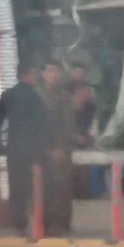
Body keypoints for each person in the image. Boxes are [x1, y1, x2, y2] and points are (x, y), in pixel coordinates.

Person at [0, 61, 53, 234]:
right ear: (25, 75)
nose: (36, 77)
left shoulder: (8, 95)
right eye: (33, 74)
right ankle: (43, 221)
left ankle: (19, 222)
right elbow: (44, 123)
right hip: (34, 149)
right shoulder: (35, 97)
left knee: (17, 186)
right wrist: (50, 144)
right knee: (39, 185)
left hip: (14, 148)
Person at [40, 62, 76, 235]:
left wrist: (60, 148)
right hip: (42, 150)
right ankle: (45, 222)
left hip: (60, 150)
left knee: (62, 187)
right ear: (43, 74)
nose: (53, 75)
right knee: (44, 186)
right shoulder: (38, 96)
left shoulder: (64, 97)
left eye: (57, 72)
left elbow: (68, 125)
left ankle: (61, 224)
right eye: (50, 71)